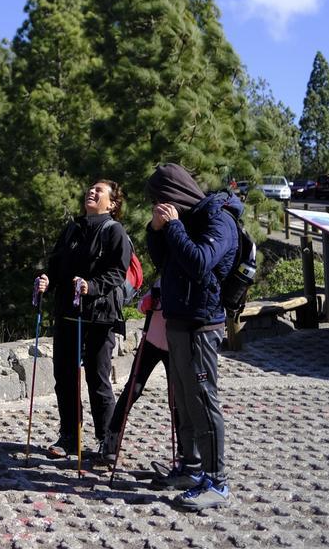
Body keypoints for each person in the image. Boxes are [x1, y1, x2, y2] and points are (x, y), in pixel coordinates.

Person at [145, 163, 239, 510]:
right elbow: (166, 262)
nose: (158, 205)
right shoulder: (182, 221)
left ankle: (217, 482)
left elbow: (200, 262)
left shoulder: (219, 220)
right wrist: (157, 232)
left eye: (160, 199)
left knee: (202, 398)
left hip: (203, 324)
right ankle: (190, 467)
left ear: (174, 194)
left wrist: (172, 227)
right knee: (183, 398)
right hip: (178, 320)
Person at [34, 180, 130, 461]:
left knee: (97, 378)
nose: (92, 192)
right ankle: (69, 436)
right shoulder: (72, 229)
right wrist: (46, 281)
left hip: (99, 317)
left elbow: (117, 272)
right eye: (90, 189)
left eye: (99, 191)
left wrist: (92, 285)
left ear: (112, 204)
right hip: (67, 313)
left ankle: (106, 440)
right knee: (64, 377)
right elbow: (56, 264)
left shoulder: (115, 231)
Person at [96, 281, 174, 466]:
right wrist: (146, 304)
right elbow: (141, 306)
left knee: (177, 398)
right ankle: (111, 440)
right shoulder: (163, 279)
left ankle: (184, 452)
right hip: (151, 342)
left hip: (175, 346)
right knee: (133, 389)